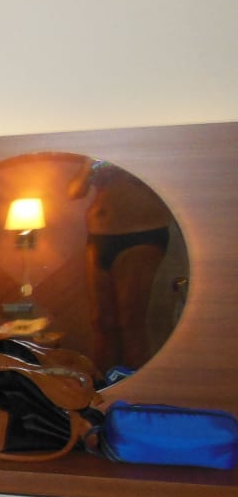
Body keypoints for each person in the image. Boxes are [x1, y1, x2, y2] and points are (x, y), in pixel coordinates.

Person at [67, 158, 171, 373]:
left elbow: (167, 186)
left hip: (139, 234)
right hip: (99, 236)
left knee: (130, 321)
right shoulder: (97, 157)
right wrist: (88, 166)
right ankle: (107, 384)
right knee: (100, 321)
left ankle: (136, 385)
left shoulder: (145, 152)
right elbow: (74, 192)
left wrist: (128, 169)